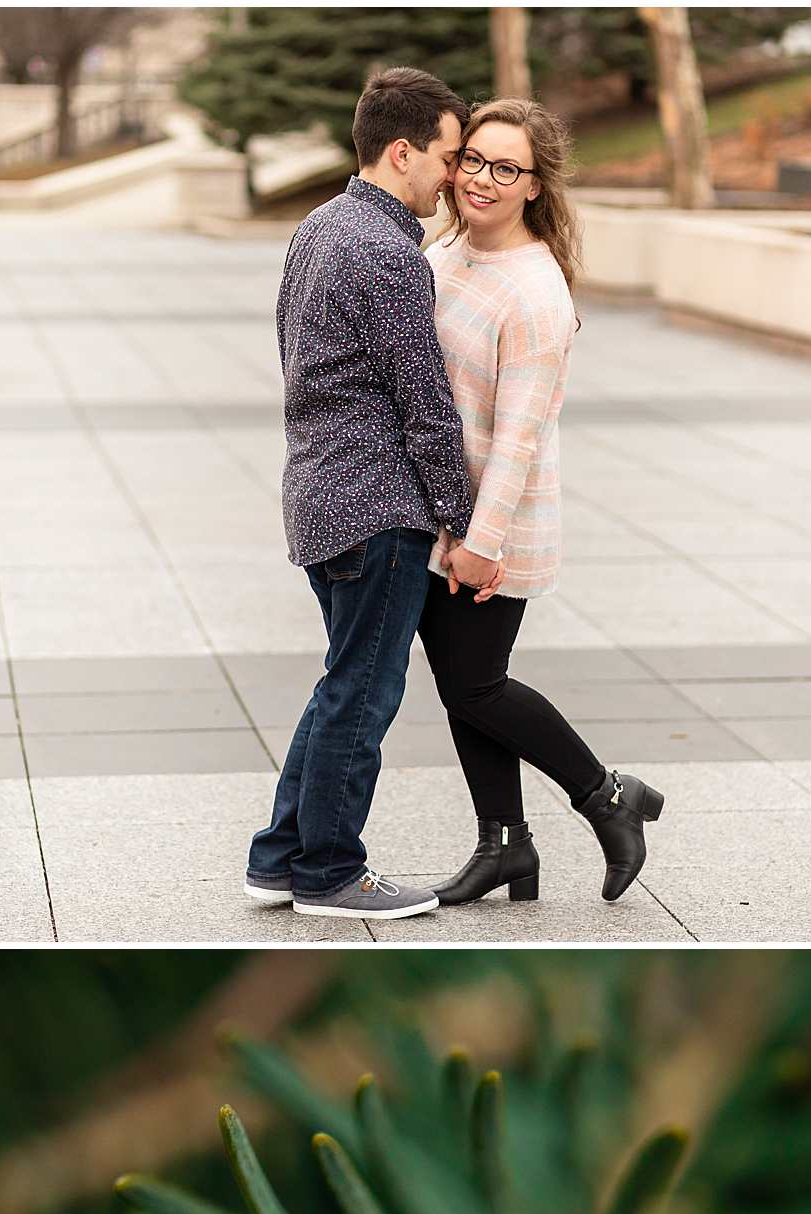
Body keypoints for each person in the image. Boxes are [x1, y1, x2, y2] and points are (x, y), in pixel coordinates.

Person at [244, 67, 506, 922]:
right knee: (363, 694)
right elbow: (426, 409)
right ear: (402, 152)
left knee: (341, 683)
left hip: (320, 498)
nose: (455, 177)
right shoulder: (388, 254)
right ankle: (330, 873)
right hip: (376, 510)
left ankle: (280, 858)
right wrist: (464, 528)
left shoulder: (320, 227)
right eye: (446, 155)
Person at [418, 97, 665, 906]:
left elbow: (519, 434)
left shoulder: (534, 291)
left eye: (505, 168)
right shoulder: (445, 246)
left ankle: (606, 795)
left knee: (477, 685)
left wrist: (481, 539)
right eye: (473, 160)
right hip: (441, 516)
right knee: (465, 685)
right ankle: (504, 846)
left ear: (534, 186)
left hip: (496, 518)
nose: (481, 179)